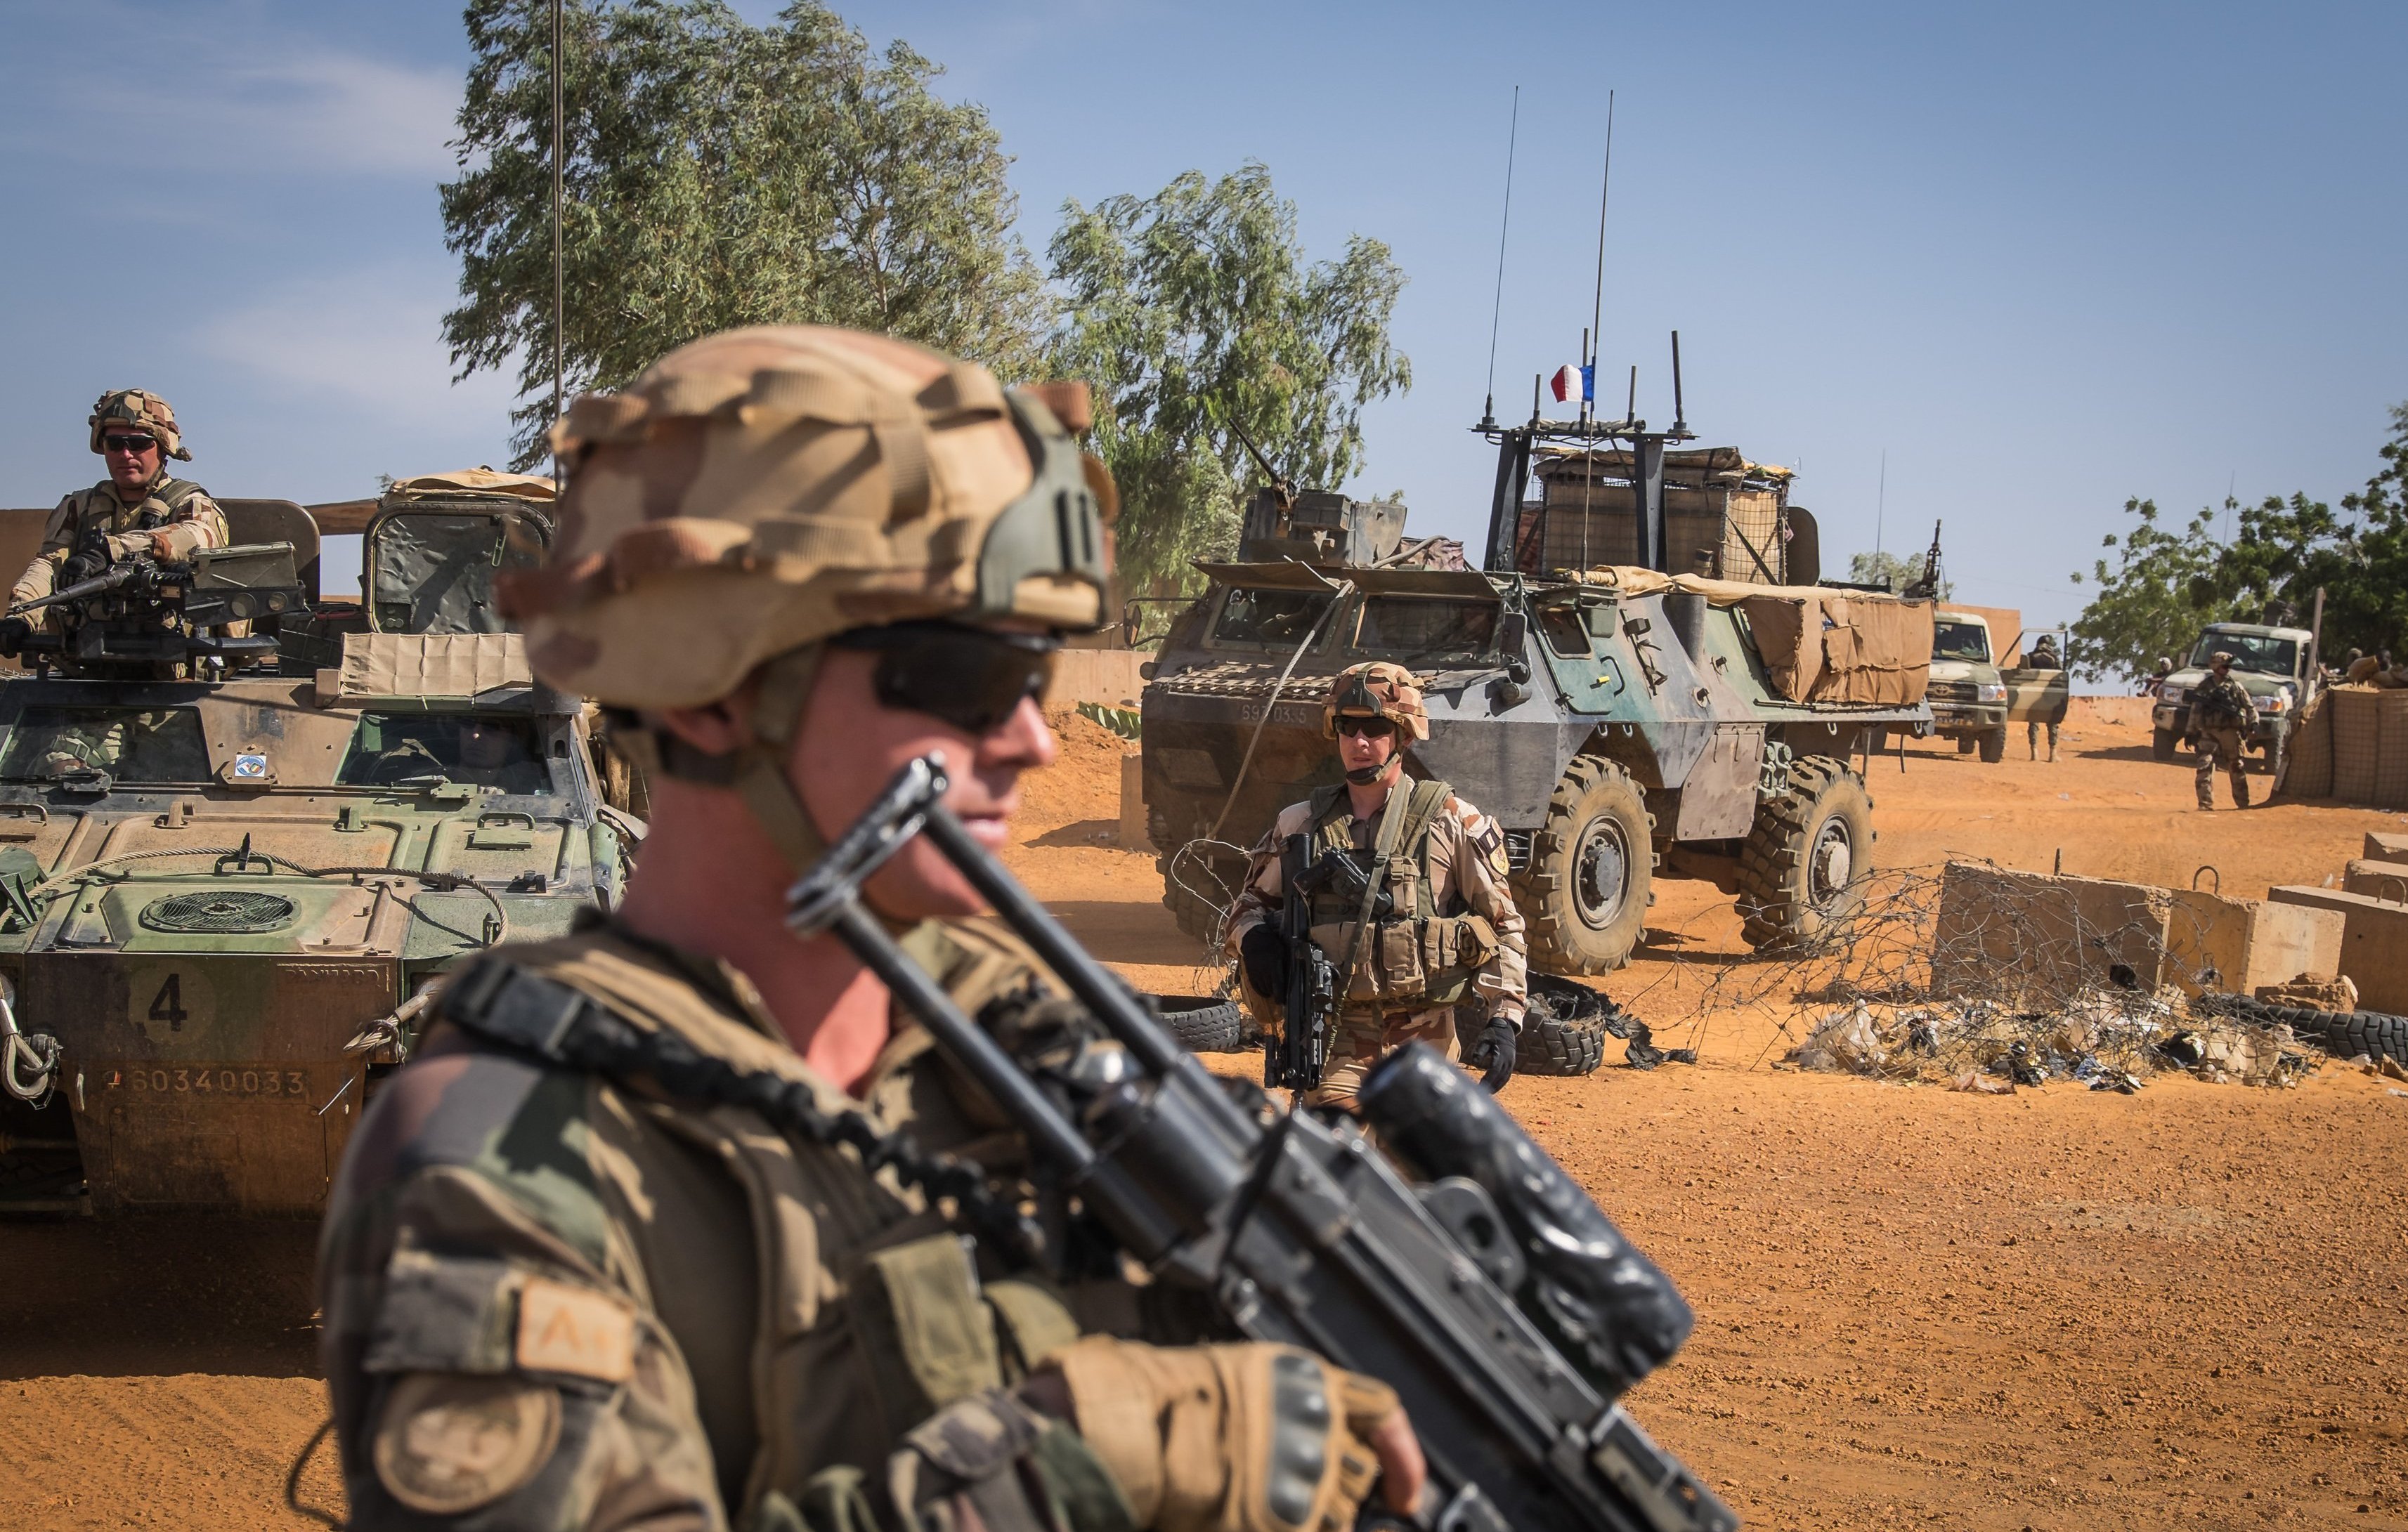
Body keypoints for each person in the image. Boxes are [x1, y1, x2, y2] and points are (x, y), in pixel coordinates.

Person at [315, 326, 1424, 1532]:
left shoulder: (1011, 1026)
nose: (1032, 740)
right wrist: (1111, 1452)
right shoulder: (507, 1164)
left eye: (1038, 673)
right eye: (964, 675)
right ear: (721, 678)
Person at [1223, 662, 1528, 1111]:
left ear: (1403, 736)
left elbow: (1503, 924)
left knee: (1418, 1172)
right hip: (1333, 1037)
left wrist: (1506, 1018)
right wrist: (1255, 940)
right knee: (1327, 1163)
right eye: (1348, 728)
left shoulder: (1452, 821)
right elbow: (1246, 907)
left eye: (1375, 728)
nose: (1359, 743)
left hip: (1423, 1039)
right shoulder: (1299, 824)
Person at [1, 391, 228, 653]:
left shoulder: (189, 502)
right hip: (86, 661)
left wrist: (111, 550)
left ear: (163, 447)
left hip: (177, 666)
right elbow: (50, 564)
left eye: (139, 444)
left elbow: (197, 536)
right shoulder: (79, 506)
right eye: (115, 443)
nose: (126, 454)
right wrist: (22, 614)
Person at [2190, 650, 2255, 811]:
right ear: (2216, 666)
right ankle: (2205, 803)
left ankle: (2243, 803)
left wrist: (2253, 723)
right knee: (2204, 766)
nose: (2227, 669)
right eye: (2224, 666)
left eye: (2228, 667)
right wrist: (2190, 732)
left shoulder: (2235, 686)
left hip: (2231, 732)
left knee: (2236, 766)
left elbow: (2250, 707)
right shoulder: (2205, 687)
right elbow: (2195, 710)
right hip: (2208, 731)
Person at [2025, 634, 2062, 762]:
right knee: (2053, 724)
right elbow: (2060, 674)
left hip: (2034, 694)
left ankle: (2034, 753)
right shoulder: (2054, 658)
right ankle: (2053, 754)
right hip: (2050, 695)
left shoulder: (2030, 656)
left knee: (2033, 723)